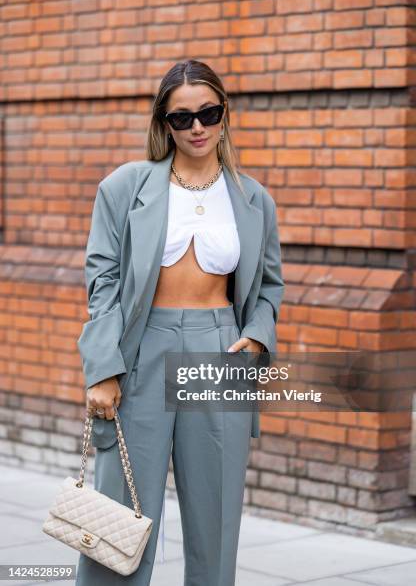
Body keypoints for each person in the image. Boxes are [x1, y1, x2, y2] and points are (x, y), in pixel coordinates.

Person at [75, 59, 284, 586]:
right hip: (143, 350)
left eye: (208, 113)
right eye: (181, 117)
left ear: (224, 115)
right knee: (120, 519)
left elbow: (269, 289)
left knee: (216, 520)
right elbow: (103, 282)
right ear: (163, 123)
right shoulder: (125, 187)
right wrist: (102, 367)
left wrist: (258, 336)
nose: (197, 127)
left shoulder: (253, 198)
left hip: (221, 353)